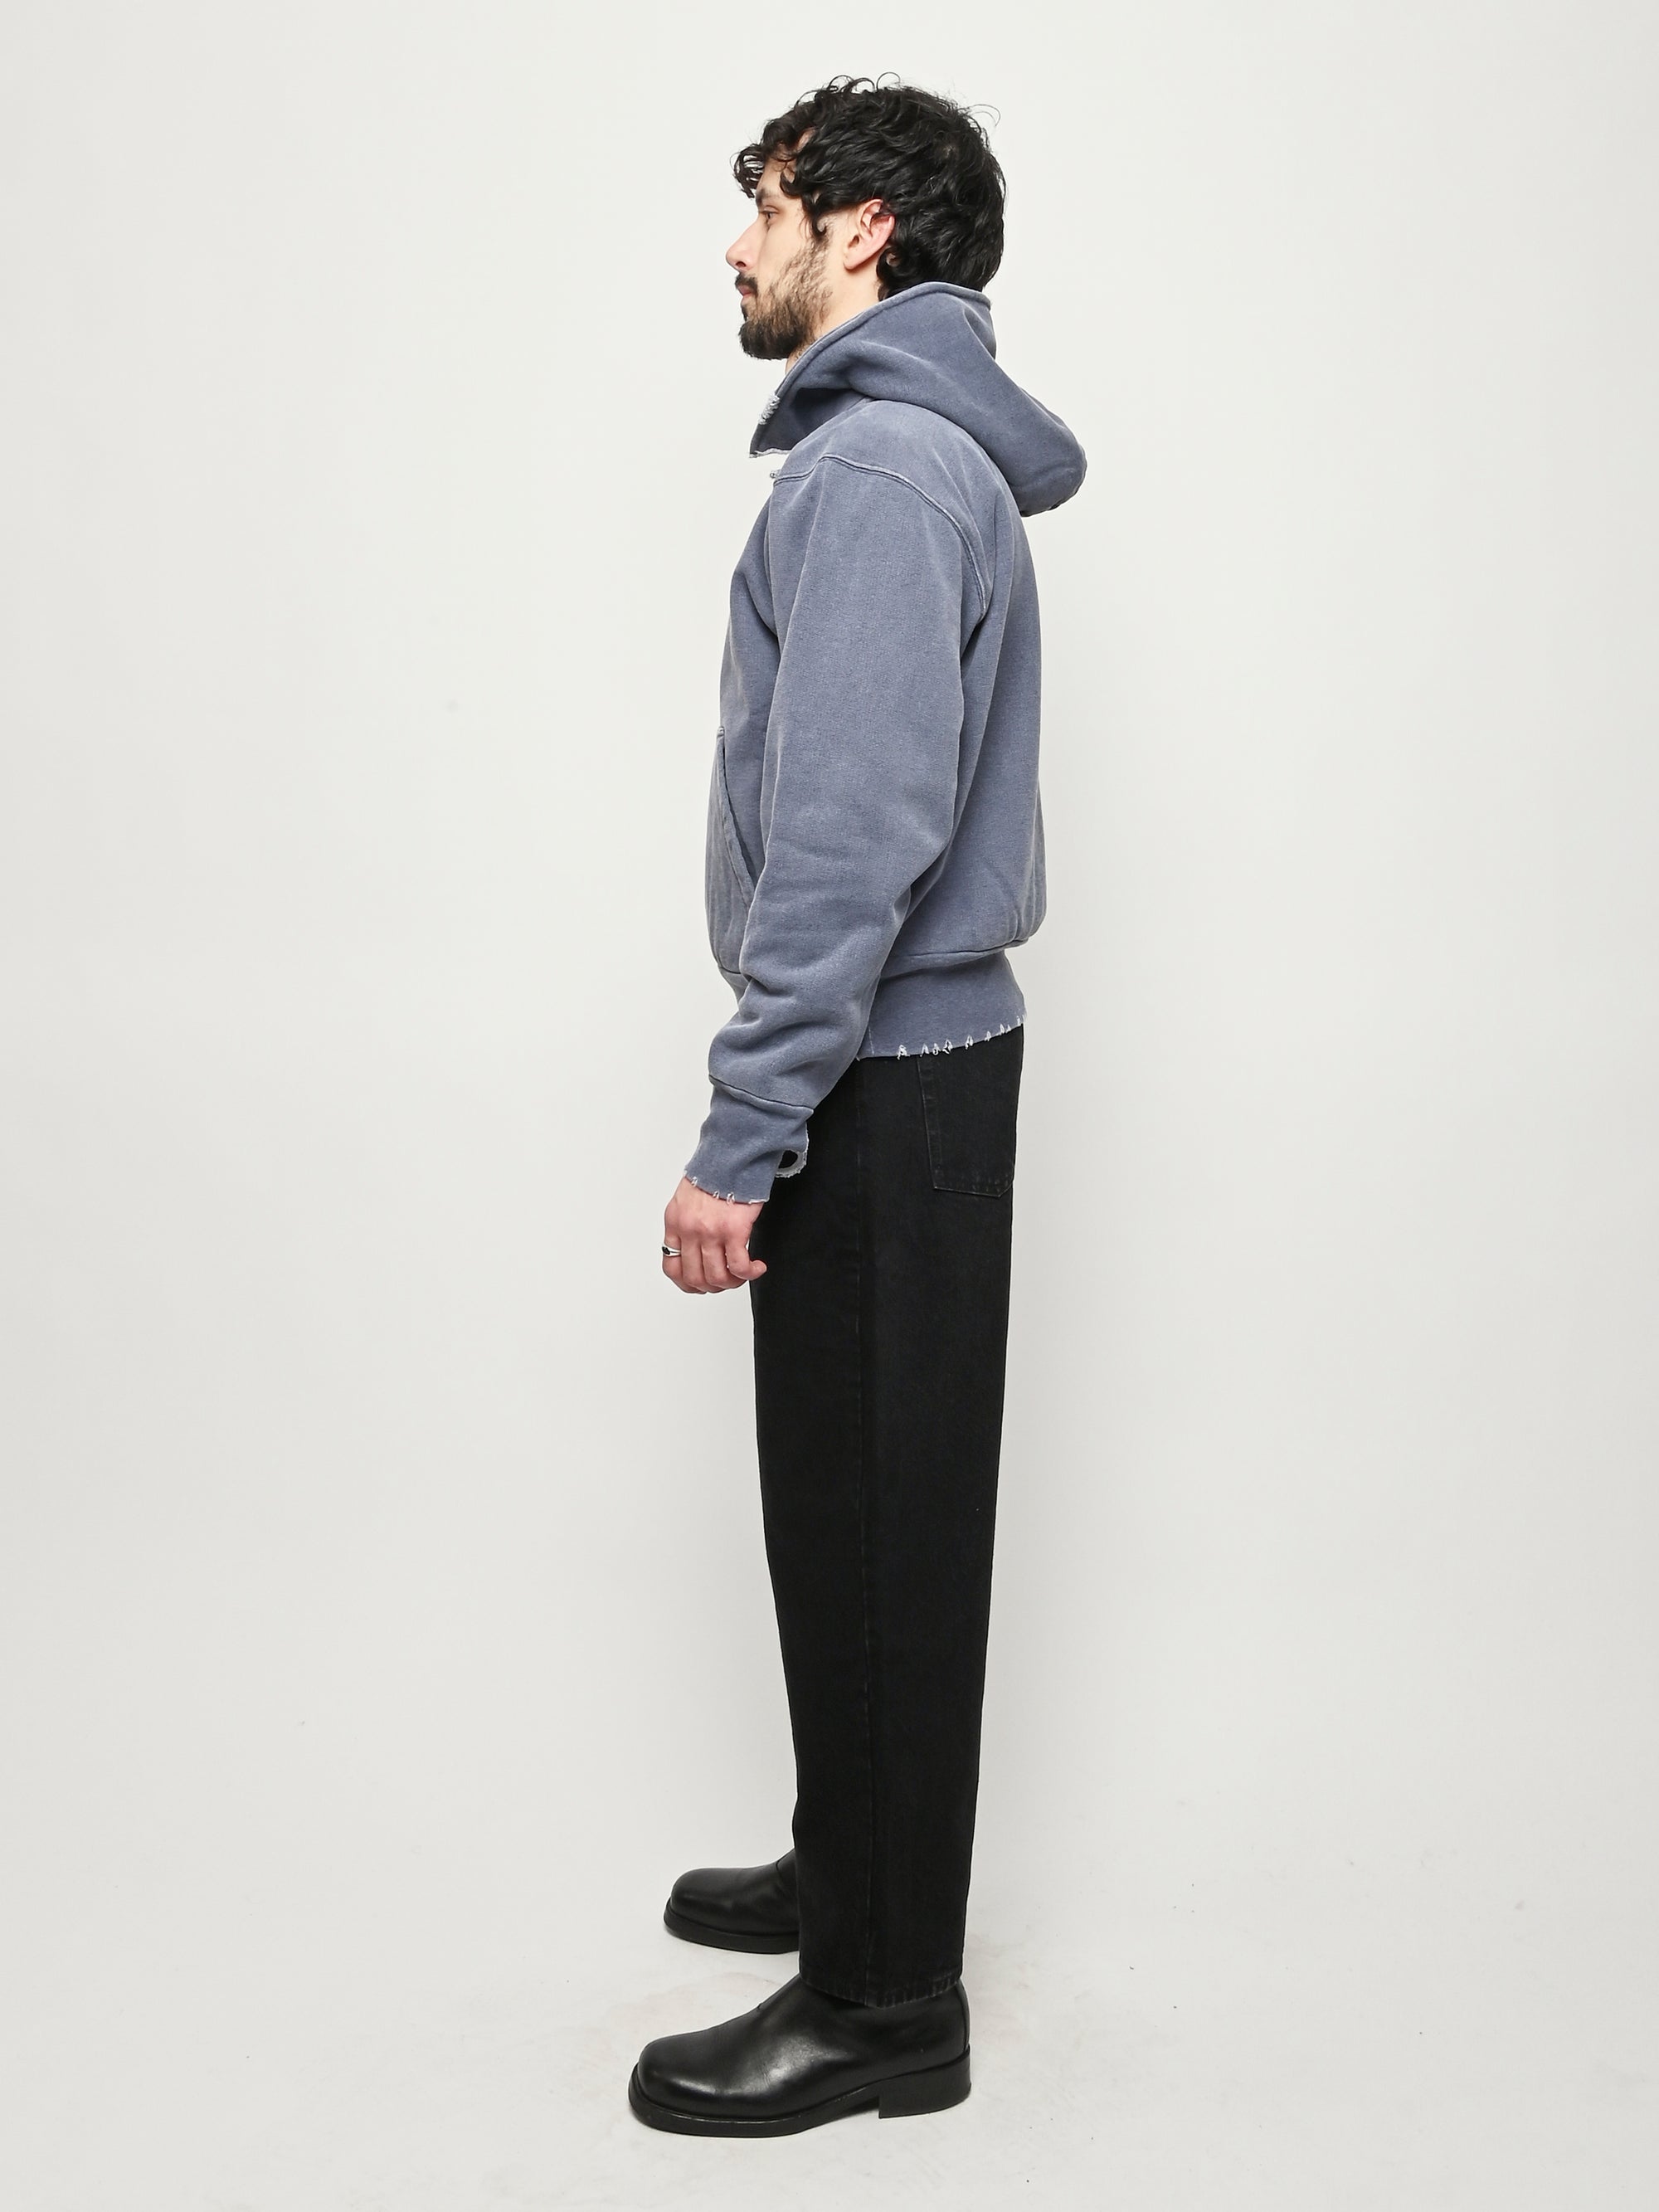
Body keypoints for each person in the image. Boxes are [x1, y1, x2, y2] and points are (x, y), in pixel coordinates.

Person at [629, 76, 1086, 2137]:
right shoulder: (898, 457)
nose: (738, 243)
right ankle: (858, 1862)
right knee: (849, 1512)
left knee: (879, 1530)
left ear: (865, 231)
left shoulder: (883, 471)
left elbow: (850, 838)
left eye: (768, 205)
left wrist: (742, 1134)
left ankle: (886, 1999)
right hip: (894, 1070)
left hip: (880, 1080)